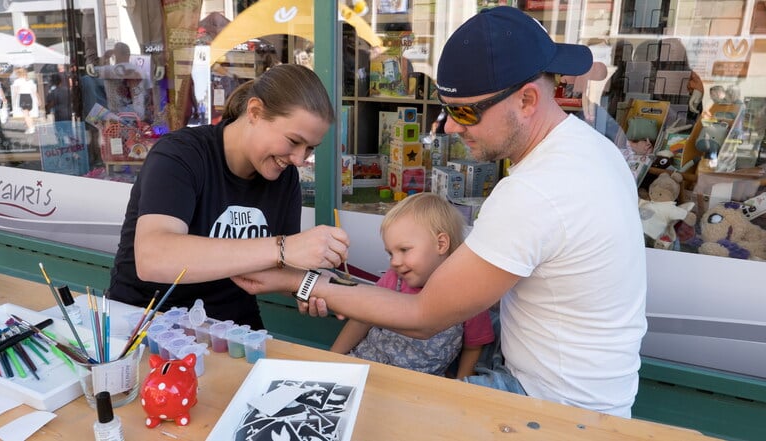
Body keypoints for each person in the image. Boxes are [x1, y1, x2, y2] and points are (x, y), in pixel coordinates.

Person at [234, 6, 647, 418]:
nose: (449, 126)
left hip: (555, 408)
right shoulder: (591, 149)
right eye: (446, 108)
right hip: (575, 391)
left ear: (527, 100)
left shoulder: (536, 191)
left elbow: (422, 315)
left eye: (465, 112)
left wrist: (298, 281)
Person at [108, 63, 350, 328]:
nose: (299, 159)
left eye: (310, 148)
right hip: (148, 322)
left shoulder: (284, 174)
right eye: (293, 141)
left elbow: (277, 265)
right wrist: (285, 247)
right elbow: (154, 257)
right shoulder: (180, 154)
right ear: (255, 112)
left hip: (232, 328)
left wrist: (310, 284)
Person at [330, 193, 494, 377]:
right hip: (363, 368)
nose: (394, 262)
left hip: (417, 389)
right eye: (391, 253)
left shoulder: (468, 295)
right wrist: (331, 361)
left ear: (441, 244)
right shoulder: (393, 280)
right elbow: (360, 321)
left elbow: (473, 347)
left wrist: (460, 388)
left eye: (404, 250)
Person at [45, 73, 73, 146]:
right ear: (61, 81)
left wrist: (47, 111)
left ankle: (62, 148)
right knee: (69, 133)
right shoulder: (67, 90)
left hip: (59, 115)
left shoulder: (53, 92)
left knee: (60, 134)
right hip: (68, 114)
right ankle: (73, 149)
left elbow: (50, 104)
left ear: (53, 82)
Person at [11, 67, 39, 135]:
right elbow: (34, 91)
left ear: (18, 74)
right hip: (29, 97)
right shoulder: (30, 81)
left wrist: (14, 101)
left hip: (23, 97)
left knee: (26, 115)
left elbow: (15, 92)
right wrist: (38, 99)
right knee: (28, 114)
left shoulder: (17, 81)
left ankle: (31, 128)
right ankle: (31, 127)